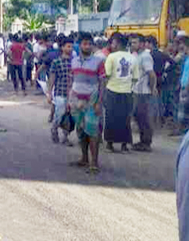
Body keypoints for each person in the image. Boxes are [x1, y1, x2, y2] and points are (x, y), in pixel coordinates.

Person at [70, 32, 106, 174]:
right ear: (80, 45)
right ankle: (84, 158)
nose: (87, 46)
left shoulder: (98, 62)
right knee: (80, 130)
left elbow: (103, 82)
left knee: (93, 131)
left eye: (90, 44)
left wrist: (99, 102)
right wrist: (69, 99)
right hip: (76, 101)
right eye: (85, 44)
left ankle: (94, 163)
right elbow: (71, 80)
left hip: (92, 101)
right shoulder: (74, 61)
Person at [104, 33, 138, 153]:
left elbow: (106, 75)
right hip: (127, 92)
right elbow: (135, 78)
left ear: (117, 43)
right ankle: (124, 145)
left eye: (113, 43)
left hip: (112, 91)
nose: (112, 45)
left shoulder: (111, 57)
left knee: (110, 118)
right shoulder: (133, 58)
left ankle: (109, 144)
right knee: (125, 119)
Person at [131, 35, 157, 152]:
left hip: (143, 92)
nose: (132, 45)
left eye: (135, 43)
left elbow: (151, 74)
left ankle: (146, 143)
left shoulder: (145, 56)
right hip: (137, 91)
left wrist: (152, 89)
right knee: (138, 116)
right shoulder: (138, 56)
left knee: (144, 117)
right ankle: (142, 141)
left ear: (142, 44)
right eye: (131, 43)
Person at [47, 38, 74, 145]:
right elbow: (52, 78)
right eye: (68, 46)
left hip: (72, 94)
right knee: (60, 114)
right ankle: (54, 128)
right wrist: (49, 93)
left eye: (71, 46)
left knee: (69, 116)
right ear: (62, 48)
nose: (70, 49)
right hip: (60, 92)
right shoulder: (56, 62)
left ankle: (65, 137)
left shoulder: (74, 62)